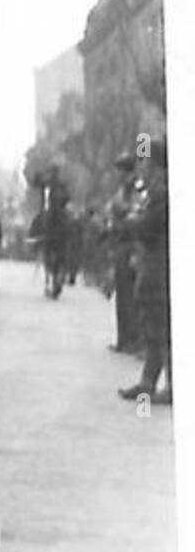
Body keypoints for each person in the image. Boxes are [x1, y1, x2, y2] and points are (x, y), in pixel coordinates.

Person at [118, 140, 170, 403]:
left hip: (160, 268)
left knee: (162, 326)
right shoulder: (152, 192)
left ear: (158, 166)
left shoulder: (162, 193)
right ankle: (147, 383)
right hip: (150, 265)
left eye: (146, 162)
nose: (142, 168)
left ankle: (170, 386)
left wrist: (130, 222)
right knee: (153, 326)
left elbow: (148, 225)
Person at [104, 150, 145, 353]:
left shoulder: (137, 190)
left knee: (133, 296)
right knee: (122, 295)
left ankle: (135, 340)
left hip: (132, 245)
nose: (119, 175)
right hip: (120, 244)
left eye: (121, 170)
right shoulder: (121, 191)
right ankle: (123, 339)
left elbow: (136, 214)